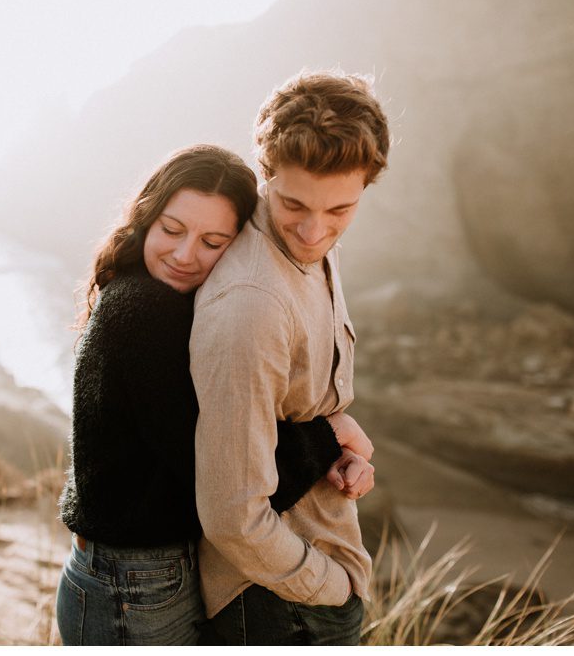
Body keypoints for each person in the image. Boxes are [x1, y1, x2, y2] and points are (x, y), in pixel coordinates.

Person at [54, 144, 373, 645]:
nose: (185, 256)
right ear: (146, 218)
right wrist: (329, 435)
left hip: (145, 576)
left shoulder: (164, 301)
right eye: (172, 230)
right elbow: (213, 470)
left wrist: (325, 450)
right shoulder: (143, 313)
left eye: (213, 241)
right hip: (131, 587)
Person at [191, 70, 391, 645]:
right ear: (265, 173)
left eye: (340, 210)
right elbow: (232, 514)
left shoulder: (310, 247)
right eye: (293, 203)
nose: (313, 230)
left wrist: (329, 439)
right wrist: (332, 586)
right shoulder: (250, 305)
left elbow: (286, 413)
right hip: (276, 602)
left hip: (305, 573)